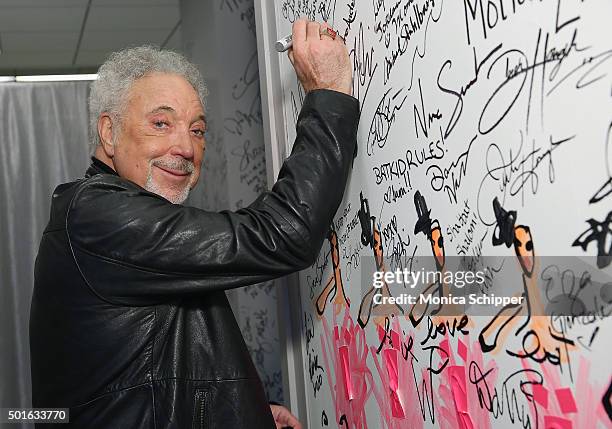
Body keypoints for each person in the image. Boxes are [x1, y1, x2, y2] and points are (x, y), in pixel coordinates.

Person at [29, 18, 358, 429]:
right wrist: (327, 95)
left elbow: (152, 370)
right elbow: (283, 233)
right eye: (161, 123)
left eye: (198, 130)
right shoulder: (99, 215)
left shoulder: (110, 219)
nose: (185, 147)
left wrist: (242, 408)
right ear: (109, 133)